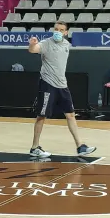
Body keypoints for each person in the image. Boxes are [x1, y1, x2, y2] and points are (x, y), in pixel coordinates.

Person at [28, 21, 97, 159]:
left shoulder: (66, 45)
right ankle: (35, 147)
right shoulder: (46, 43)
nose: (57, 32)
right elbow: (33, 50)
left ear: (66, 33)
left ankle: (80, 146)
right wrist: (32, 43)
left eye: (61, 30)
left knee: (70, 115)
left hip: (62, 85)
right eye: (56, 29)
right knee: (41, 116)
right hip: (47, 84)